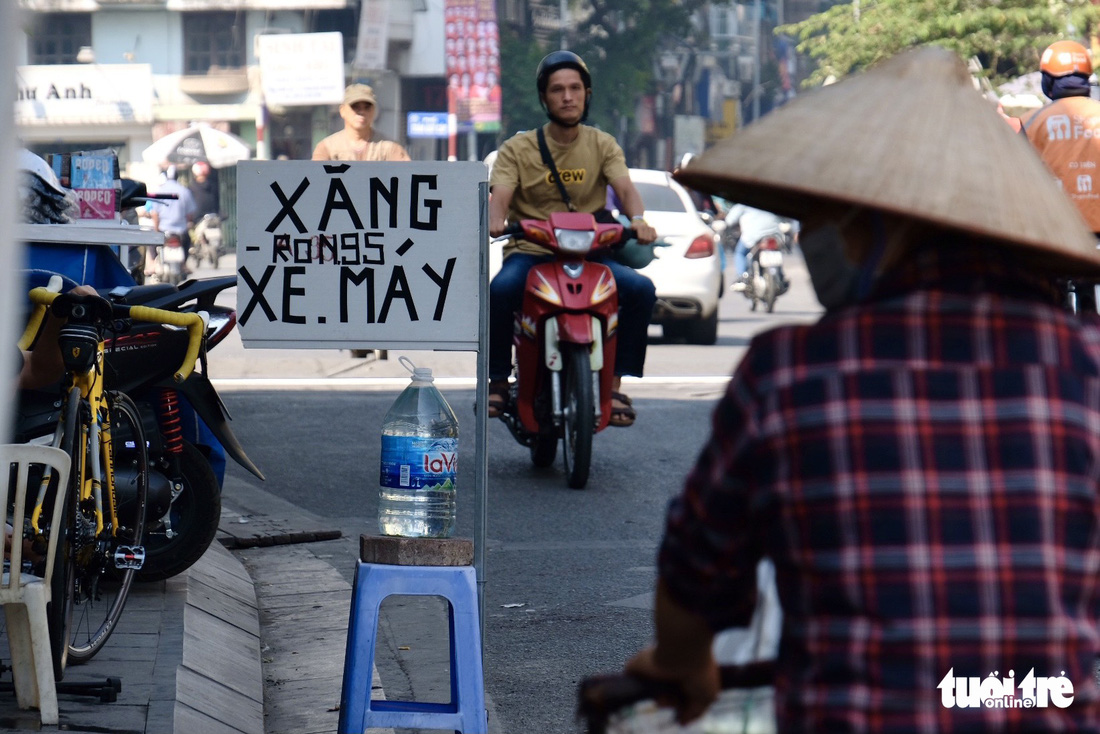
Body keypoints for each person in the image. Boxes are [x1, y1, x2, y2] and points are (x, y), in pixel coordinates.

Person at [623, 46, 1100, 731]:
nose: (811, 237)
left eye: (831, 213)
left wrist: (681, 664)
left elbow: (695, 580)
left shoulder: (790, 374)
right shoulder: (1087, 369)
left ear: (889, 225)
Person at [488, 51, 658, 427]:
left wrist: (639, 220)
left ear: (587, 94)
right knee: (500, 291)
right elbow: (499, 195)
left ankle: (614, 385)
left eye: (575, 88)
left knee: (640, 289)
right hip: (532, 251)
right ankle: (498, 380)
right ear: (544, 98)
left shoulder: (603, 144)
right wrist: (496, 219)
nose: (567, 96)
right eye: (558, 90)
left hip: (591, 253)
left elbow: (625, 188)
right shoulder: (517, 149)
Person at [312, 84, 411, 162]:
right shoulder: (327, 147)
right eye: (355, 106)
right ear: (342, 110)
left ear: (374, 111)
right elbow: (316, 180)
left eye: (367, 107)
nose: (361, 112)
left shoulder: (389, 148)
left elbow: (406, 178)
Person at [723, 203, 789, 292]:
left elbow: (729, 220)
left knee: (740, 253)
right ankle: (781, 276)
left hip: (753, 236)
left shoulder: (743, 203)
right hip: (774, 233)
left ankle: (742, 278)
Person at [146, 166, 197, 276]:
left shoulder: (160, 191)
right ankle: (184, 264)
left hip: (163, 229)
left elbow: (155, 213)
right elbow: (190, 213)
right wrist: (187, 224)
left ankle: (152, 265)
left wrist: (156, 229)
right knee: (187, 241)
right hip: (181, 230)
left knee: (151, 243)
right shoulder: (185, 191)